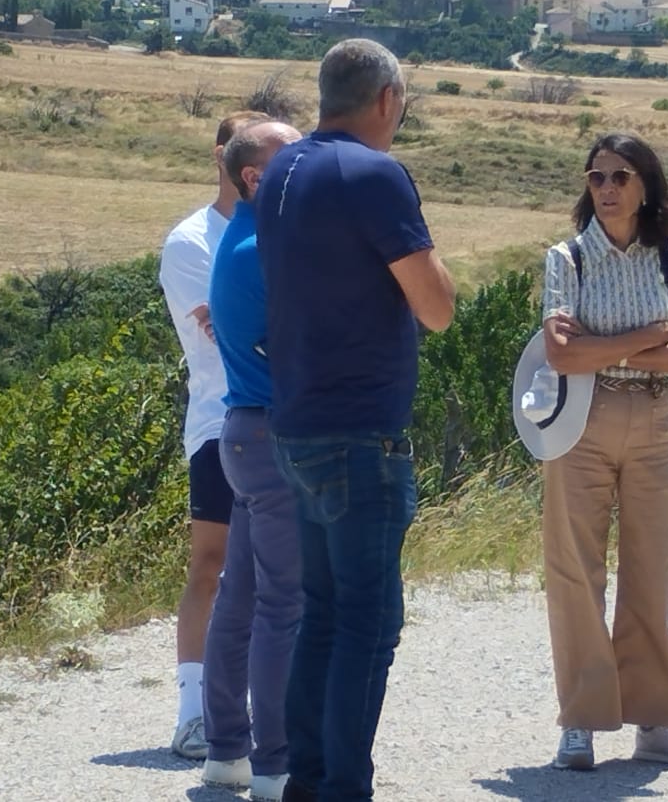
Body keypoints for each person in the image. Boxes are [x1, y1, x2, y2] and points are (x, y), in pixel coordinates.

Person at [253, 39, 456, 802]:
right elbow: (435, 308)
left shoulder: (282, 169)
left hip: (298, 418)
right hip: (359, 429)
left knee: (323, 614)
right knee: (366, 625)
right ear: (387, 99)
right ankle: (342, 788)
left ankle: (307, 781)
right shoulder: (374, 173)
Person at [537, 133, 668, 773]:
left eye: (620, 176)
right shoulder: (567, 258)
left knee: (652, 565)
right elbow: (561, 354)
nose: (607, 189)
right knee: (575, 568)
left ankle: (658, 722)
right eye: (596, 178)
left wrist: (604, 344)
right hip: (580, 417)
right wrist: (649, 335)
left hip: (655, 416)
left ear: (646, 185)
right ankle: (581, 723)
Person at [201, 118, 306, 802]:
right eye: (288, 159)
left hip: (241, 432)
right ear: (254, 177)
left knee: (238, 597)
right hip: (272, 437)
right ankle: (274, 764)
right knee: (281, 605)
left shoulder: (238, 242)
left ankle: (226, 752)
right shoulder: (266, 248)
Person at [159, 109, 264, 759]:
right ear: (220, 156)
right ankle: (191, 712)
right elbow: (221, 334)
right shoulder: (193, 240)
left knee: (279, 571)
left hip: (280, 413)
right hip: (219, 419)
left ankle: (256, 708)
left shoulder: (282, 232)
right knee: (211, 564)